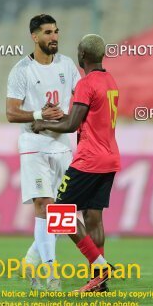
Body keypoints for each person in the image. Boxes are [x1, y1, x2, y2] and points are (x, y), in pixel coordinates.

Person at [32, 34, 120, 292]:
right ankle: (99, 282)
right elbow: (84, 117)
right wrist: (60, 114)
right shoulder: (109, 80)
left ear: (82, 56)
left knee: (58, 214)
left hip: (89, 159)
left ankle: (100, 266)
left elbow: (72, 125)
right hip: (110, 157)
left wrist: (43, 123)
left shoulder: (86, 83)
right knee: (94, 216)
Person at [6, 14, 81, 291]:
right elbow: (11, 113)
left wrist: (70, 117)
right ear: (34, 37)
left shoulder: (68, 65)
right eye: (48, 32)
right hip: (34, 146)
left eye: (57, 32)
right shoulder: (21, 70)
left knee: (64, 212)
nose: (54, 37)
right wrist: (40, 113)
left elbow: (81, 100)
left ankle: (30, 261)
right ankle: (51, 275)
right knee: (44, 206)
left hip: (63, 145)